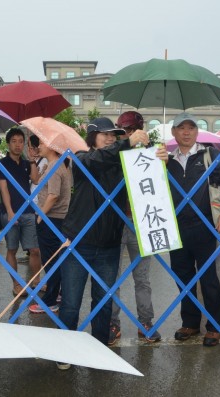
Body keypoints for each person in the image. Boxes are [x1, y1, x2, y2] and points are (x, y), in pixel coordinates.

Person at [58, 117, 149, 368]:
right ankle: (65, 353)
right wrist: (127, 143)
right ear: (91, 137)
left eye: (114, 134)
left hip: (109, 244)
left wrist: (157, 160)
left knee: (104, 301)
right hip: (79, 243)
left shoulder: (122, 163)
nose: (110, 137)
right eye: (104, 133)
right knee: (70, 303)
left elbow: (145, 177)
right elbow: (99, 160)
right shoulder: (81, 158)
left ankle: (98, 349)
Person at [156, 112, 220, 347]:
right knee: (183, 278)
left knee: (208, 277)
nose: (187, 132)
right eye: (181, 128)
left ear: (196, 132)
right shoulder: (166, 159)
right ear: (173, 132)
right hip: (175, 228)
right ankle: (190, 323)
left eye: (191, 128)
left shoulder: (209, 154)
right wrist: (155, 160)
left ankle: (215, 325)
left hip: (203, 226)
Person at [108, 110, 160, 345]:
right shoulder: (113, 154)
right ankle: (112, 324)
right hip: (116, 224)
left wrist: (160, 160)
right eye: (123, 131)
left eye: (131, 130)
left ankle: (146, 322)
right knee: (113, 278)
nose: (127, 135)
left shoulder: (151, 154)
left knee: (142, 278)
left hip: (142, 223)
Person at [0, 127, 41, 297]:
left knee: (34, 250)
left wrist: (33, 161)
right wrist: (11, 212)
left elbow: (35, 180)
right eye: (14, 141)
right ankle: (16, 284)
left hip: (28, 211)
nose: (18, 145)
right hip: (10, 213)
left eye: (21, 141)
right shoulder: (1, 164)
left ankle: (37, 281)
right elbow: (3, 190)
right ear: (8, 144)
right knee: (12, 249)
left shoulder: (26, 163)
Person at [27, 137, 72, 314]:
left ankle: (50, 300)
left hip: (51, 218)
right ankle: (57, 293)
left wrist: (40, 216)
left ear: (53, 147)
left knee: (51, 260)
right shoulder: (54, 165)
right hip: (55, 219)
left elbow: (53, 195)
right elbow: (38, 182)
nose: (40, 146)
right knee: (55, 259)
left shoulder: (55, 166)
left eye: (43, 143)